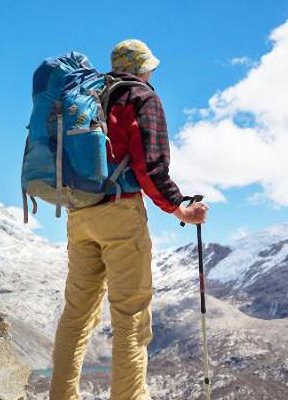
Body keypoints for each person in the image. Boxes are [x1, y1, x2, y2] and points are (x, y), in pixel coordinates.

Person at [48, 39, 208, 400]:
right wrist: (179, 208)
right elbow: (150, 165)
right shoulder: (140, 96)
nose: (152, 73)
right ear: (142, 67)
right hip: (120, 212)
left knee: (76, 315)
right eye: (150, 67)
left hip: (80, 213)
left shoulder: (89, 96)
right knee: (130, 318)